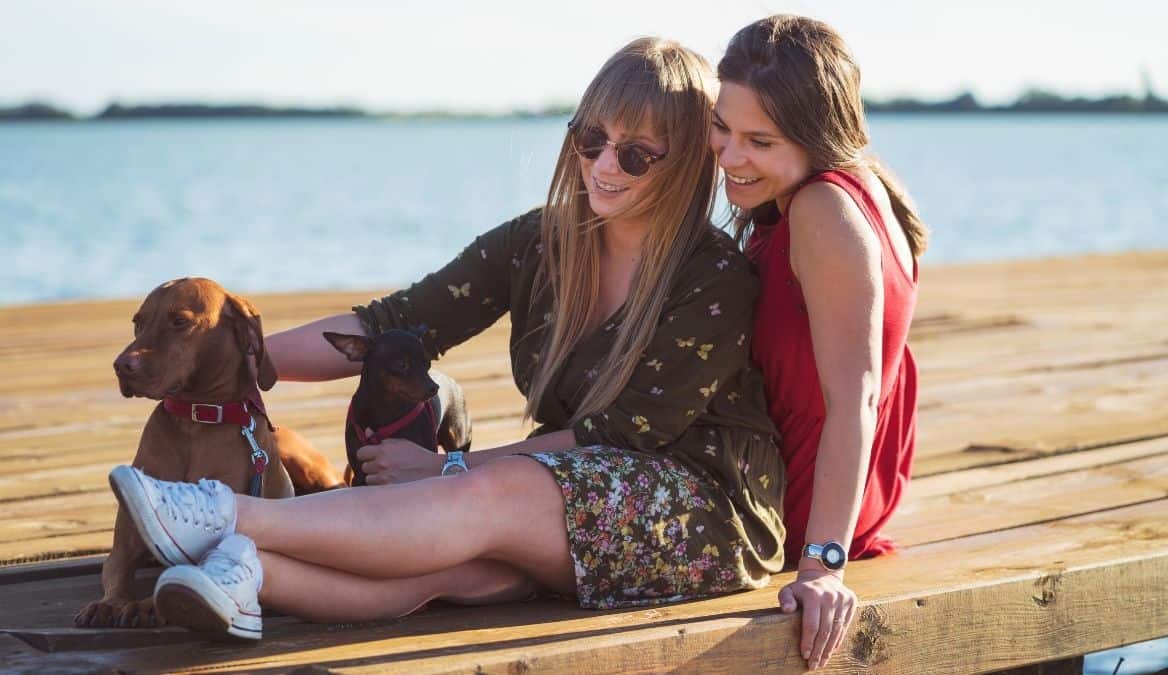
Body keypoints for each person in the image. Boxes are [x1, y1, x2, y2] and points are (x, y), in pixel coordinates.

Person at [106, 37, 789, 645]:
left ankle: (225, 516)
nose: (603, 165)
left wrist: (447, 467)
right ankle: (245, 577)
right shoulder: (542, 244)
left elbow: (624, 435)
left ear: (685, 164)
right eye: (590, 139)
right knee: (448, 567)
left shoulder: (714, 277)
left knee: (486, 493)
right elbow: (390, 323)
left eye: (636, 154)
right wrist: (236, 357)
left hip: (704, 510)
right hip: (574, 496)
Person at [710, 14, 927, 670]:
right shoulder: (848, 185)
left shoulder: (822, 211)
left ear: (815, 135)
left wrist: (823, 564)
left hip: (797, 508)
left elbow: (856, 396)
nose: (728, 154)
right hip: (824, 487)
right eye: (721, 127)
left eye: (759, 140)